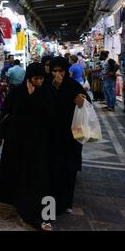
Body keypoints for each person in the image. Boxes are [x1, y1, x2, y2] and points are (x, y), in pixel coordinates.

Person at [0, 63, 54, 230]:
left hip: (36, 141)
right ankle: (12, 196)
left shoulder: (45, 92)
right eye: (36, 78)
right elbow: (6, 113)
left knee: (36, 174)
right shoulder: (17, 92)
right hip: (16, 139)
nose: (39, 81)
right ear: (29, 78)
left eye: (41, 78)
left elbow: (47, 116)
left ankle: (43, 213)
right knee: (15, 167)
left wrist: (34, 97)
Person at [46, 56, 87, 217]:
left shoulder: (73, 85)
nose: (57, 74)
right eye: (54, 70)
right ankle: (52, 204)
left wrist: (81, 102)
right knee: (53, 170)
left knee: (69, 171)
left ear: (66, 71)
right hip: (53, 136)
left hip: (71, 137)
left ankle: (66, 202)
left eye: (60, 71)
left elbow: (85, 102)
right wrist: (54, 89)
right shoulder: (47, 86)